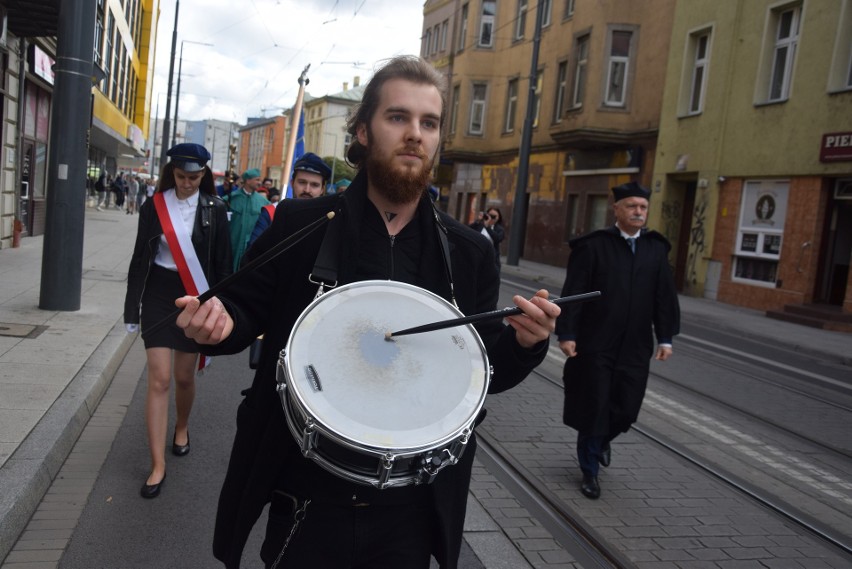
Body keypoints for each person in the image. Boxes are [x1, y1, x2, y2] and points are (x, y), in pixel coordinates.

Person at [173, 55, 560, 569]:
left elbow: (480, 372)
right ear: (362, 131)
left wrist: (527, 344)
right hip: (306, 497)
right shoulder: (298, 222)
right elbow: (242, 312)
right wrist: (216, 324)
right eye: (397, 118)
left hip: (410, 509)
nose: (415, 135)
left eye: (429, 123)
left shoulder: (468, 252)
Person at [556, 181, 680, 500]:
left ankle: (603, 439)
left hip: (636, 345)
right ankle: (589, 470)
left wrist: (665, 337)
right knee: (594, 404)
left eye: (642, 207)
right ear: (617, 209)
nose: (638, 212)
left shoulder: (655, 248)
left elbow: (664, 297)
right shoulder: (594, 246)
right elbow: (574, 293)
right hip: (595, 342)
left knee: (626, 407)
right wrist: (567, 333)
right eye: (631, 206)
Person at [123, 143, 232, 499]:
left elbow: (223, 266)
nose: (187, 183)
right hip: (157, 293)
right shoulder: (153, 206)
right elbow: (141, 257)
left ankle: (181, 426)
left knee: (184, 376)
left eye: (195, 177)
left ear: (204, 175)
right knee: (159, 379)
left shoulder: (216, 209)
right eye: (182, 176)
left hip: (194, 296)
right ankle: (158, 465)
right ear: (172, 172)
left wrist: (222, 310)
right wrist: (130, 309)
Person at [247, 152, 331, 247]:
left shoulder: (328, 219)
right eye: (302, 182)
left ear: (322, 189)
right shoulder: (272, 213)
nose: (307, 190)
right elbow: (253, 254)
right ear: (292, 183)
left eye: (314, 185)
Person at [224, 168, 269, 270]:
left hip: (251, 247)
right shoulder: (230, 199)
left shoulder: (264, 202)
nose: (259, 182)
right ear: (248, 181)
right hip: (232, 245)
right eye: (257, 179)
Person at [469, 206, 504, 272]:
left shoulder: (499, 229)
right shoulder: (479, 225)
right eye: (490, 215)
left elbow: (498, 239)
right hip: (477, 257)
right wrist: (478, 221)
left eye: (494, 216)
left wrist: (488, 227)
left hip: (492, 260)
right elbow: (469, 230)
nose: (492, 218)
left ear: (498, 218)